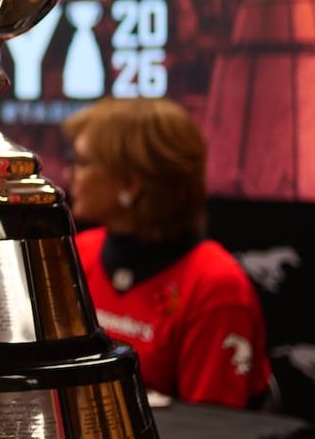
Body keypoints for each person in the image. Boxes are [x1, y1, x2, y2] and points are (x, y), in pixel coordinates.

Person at [63, 97, 271, 408]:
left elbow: (212, 425)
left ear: (131, 184)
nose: (69, 174)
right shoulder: (78, 252)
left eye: (82, 163)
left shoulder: (215, 286)